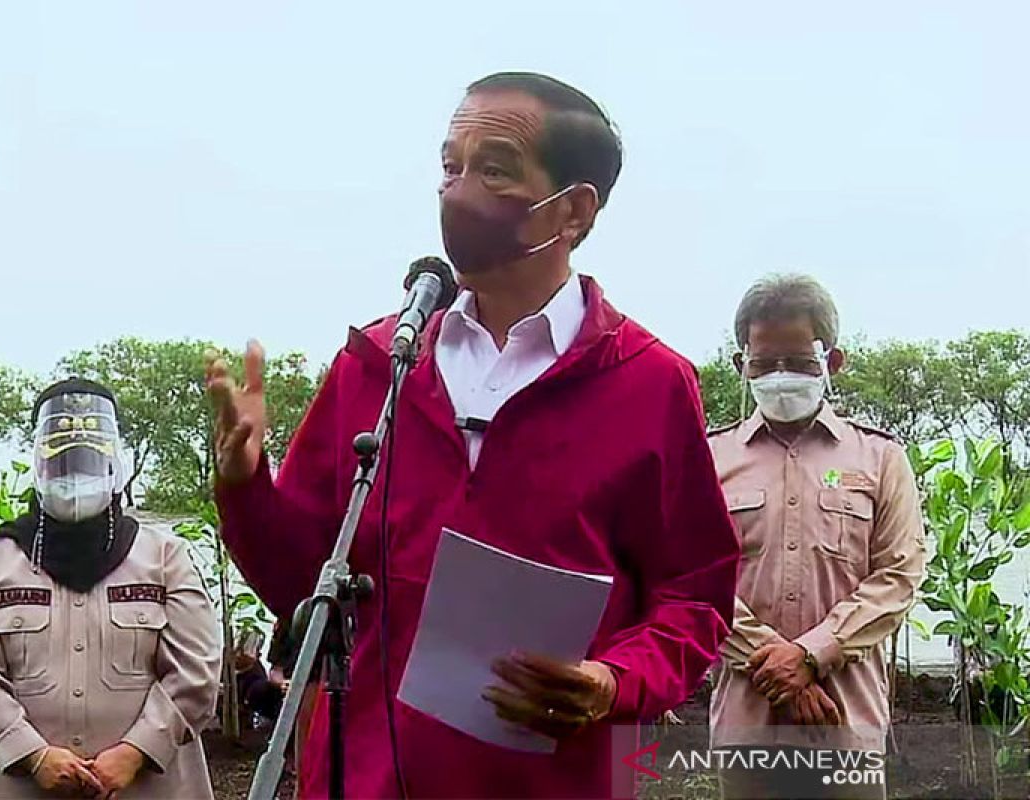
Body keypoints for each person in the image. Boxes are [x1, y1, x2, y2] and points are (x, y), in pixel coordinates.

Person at [207, 71, 741, 798]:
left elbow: (693, 597)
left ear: (574, 211)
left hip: (563, 779)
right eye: (449, 166)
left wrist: (614, 682)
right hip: (362, 777)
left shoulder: (649, 382)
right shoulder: (376, 367)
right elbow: (303, 585)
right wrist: (244, 484)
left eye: (493, 169)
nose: (458, 193)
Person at [0, 379, 221, 799]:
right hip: (14, 786)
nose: (75, 477)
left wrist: (136, 751)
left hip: (146, 786)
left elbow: (197, 669)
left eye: (88, 464)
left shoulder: (164, 558)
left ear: (112, 465)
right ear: (40, 466)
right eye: (63, 465)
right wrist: (30, 753)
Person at [708, 275, 927, 800]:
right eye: (764, 365)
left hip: (845, 728)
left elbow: (898, 577)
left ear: (832, 363)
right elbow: (693, 579)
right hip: (747, 731)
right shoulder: (708, 460)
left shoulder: (880, 459)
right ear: (741, 366)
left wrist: (809, 655)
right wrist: (778, 665)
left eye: (800, 364)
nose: (781, 377)